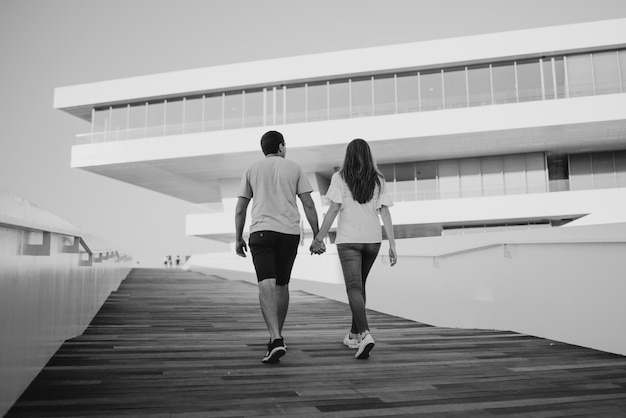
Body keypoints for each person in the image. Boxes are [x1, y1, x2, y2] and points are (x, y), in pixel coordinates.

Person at [235, 130, 323, 364]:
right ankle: (278, 337)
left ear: (264, 149)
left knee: (266, 283)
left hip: (261, 233)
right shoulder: (294, 168)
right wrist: (317, 235)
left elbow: (241, 208)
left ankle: (275, 338)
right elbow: (309, 204)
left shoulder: (252, 169)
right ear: (281, 147)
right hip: (289, 233)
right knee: (282, 284)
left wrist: (237, 238)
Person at [310, 138, 397, 360]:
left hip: (349, 240)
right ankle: (354, 335)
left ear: (348, 155)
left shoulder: (340, 178)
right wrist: (392, 244)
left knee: (353, 288)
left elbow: (333, 210)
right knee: (360, 287)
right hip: (372, 241)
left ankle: (366, 334)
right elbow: (385, 213)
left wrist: (319, 238)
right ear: (368, 155)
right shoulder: (378, 179)